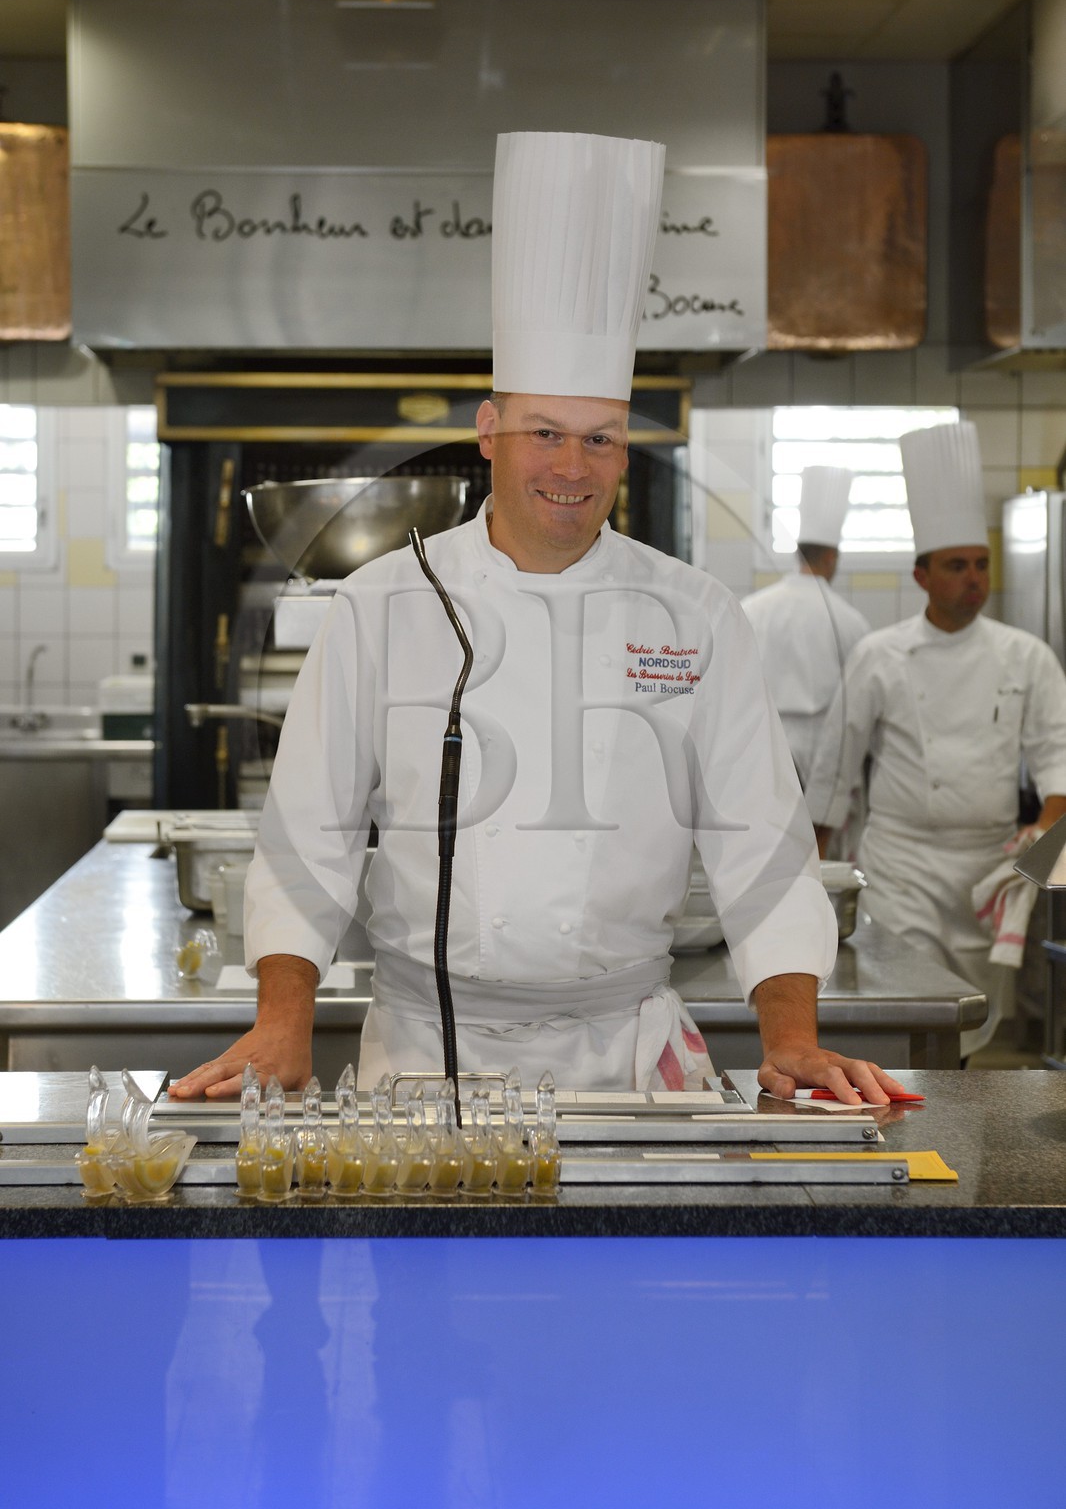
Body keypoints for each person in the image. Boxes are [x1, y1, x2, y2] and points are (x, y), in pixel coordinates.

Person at [172, 130, 903, 1106]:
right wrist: (279, 1026)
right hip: (425, 1067)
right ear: (488, 433)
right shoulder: (381, 603)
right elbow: (311, 833)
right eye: (544, 434)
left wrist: (795, 1039)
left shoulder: (695, 614)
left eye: (598, 439)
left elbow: (760, 846)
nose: (571, 466)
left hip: (627, 1064)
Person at [804, 421, 1066, 1058]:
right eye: (956, 567)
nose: (972, 579)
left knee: (972, 1023)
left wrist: (1036, 856)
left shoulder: (1026, 656)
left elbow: (1059, 762)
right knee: (909, 1011)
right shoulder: (880, 655)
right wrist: (809, 870)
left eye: (980, 566)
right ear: (922, 576)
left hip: (990, 869)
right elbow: (836, 770)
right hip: (903, 867)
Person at [741, 465, 869, 789]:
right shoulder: (850, 621)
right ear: (831, 558)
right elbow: (860, 700)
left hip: (761, 744)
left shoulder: (753, 609)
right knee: (817, 838)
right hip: (823, 754)